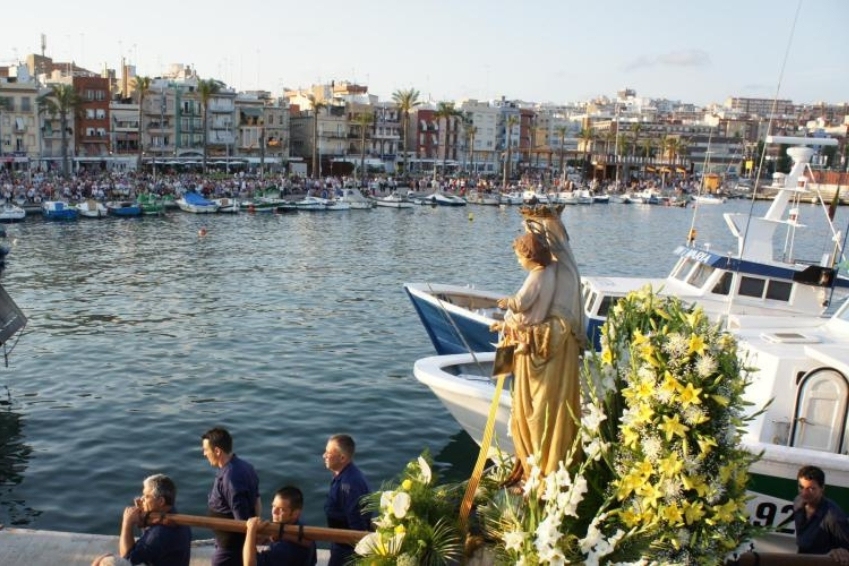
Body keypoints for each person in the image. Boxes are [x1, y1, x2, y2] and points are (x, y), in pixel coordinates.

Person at [492, 205, 587, 484]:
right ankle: (528, 467)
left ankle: (545, 476)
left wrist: (515, 329)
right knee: (525, 417)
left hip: (548, 370)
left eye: (533, 230)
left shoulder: (563, 277)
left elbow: (557, 330)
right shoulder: (546, 271)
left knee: (542, 418)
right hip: (527, 361)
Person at [91, 473, 191, 566]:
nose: (142, 499)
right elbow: (150, 539)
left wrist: (127, 523)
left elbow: (128, 559)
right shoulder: (176, 516)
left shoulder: (159, 534)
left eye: (147, 496)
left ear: (161, 501)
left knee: (105, 561)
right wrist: (145, 519)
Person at [203, 427, 262, 566]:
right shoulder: (245, 466)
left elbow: (241, 521)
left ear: (217, 451)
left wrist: (251, 538)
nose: (204, 453)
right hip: (227, 543)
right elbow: (257, 500)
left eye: (206, 450)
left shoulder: (230, 477)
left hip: (230, 548)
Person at [323, 434, 372, 566]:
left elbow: (356, 524)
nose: (324, 456)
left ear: (342, 458)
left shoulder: (349, 485)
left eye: (328, 453)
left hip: (346, 549)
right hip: (339, 542)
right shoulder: (344, 476)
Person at [242, 486, 317, 566]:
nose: (274, 512)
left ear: (295, 513)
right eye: (273, 506)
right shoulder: (305, 530)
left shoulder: (282, 549)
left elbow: (249, 564)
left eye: (281, 509)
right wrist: (269, 537)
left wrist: (251, 530)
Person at [794, 465, 849, 563]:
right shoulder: (798, 502)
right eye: (801, 487)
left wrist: (842, 551)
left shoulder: (834, 517)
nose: (804, 493)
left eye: (811, 489)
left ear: (822, 488)